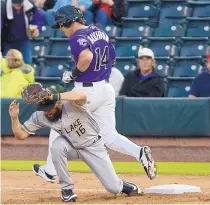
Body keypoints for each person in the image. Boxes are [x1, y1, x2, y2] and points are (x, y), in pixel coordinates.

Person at [32, 5, 156, 182]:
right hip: (105, 88)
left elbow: (87, 57)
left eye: (61, 24)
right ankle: (139, 152)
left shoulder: (77, 37)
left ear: (70, 21)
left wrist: (74, 74)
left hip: (87, 90)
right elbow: (112, 61)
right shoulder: (99, 32)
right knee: (109, 136)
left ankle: (51, 171)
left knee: (58, 122)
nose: (60, 28)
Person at [9, 83, 142, 202]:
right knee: (57, 146)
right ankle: (66, 189)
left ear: (59, 102)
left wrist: (55, 95)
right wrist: (14, 118)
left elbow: (82, 95)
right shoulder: (41, 116)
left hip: (93, 146)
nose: (47, 112)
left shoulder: (71, 104)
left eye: (49, 107)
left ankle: (122, 185)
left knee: (113, 188)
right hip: (71, 146)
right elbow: (21, 135)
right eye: (44, 109)